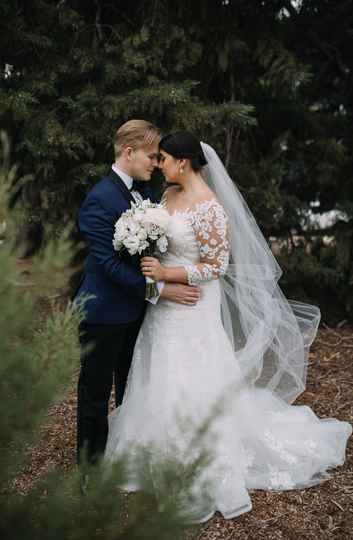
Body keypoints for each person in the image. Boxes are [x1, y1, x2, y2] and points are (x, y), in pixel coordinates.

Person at [104, 131, 352, 522]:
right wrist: (154, 274)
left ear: (183, 162)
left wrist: (169, 273)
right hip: (165, 302)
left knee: (193, 375)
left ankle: (200, 452)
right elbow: (158, 243)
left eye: (164, 158)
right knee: (159, 369)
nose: (158, 164)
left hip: (194, 305)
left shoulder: (210, 207)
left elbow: (216, 267)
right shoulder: (167, 197)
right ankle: (149, 452)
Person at [74, 121, 201, 469]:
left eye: (160, 158)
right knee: (95, 396)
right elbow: (111, 269)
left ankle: (124, 457)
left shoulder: (146, 194)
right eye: (151, 156)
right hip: (102, 314)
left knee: (132, 390)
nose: (156, 164)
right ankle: (90, 471)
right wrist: (162, 289)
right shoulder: (99, 200)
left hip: (138, 313)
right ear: (128, 152)